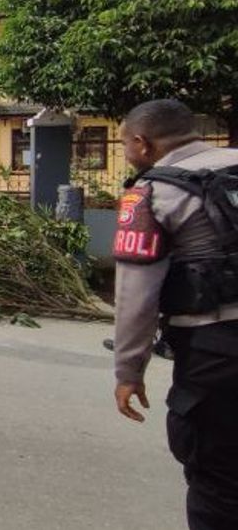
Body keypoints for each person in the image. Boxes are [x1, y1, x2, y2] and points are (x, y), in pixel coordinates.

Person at [109, 99, 238, 529]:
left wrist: (129, 371)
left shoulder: (151, 192)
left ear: (143, 144)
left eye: (125, 143)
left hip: (217, 355)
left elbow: (135, 296)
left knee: (217, 480)